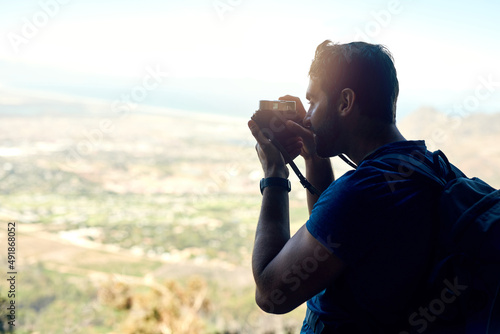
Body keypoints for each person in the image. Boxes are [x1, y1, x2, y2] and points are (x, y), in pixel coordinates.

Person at [248, 40, 456, 333]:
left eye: (313, 101)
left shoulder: (364, 193)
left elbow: (271, 293)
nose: (307, 116)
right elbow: (336, 236)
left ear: (345, 102)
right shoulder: (430, 167)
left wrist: (274, 175)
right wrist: (313, 156)